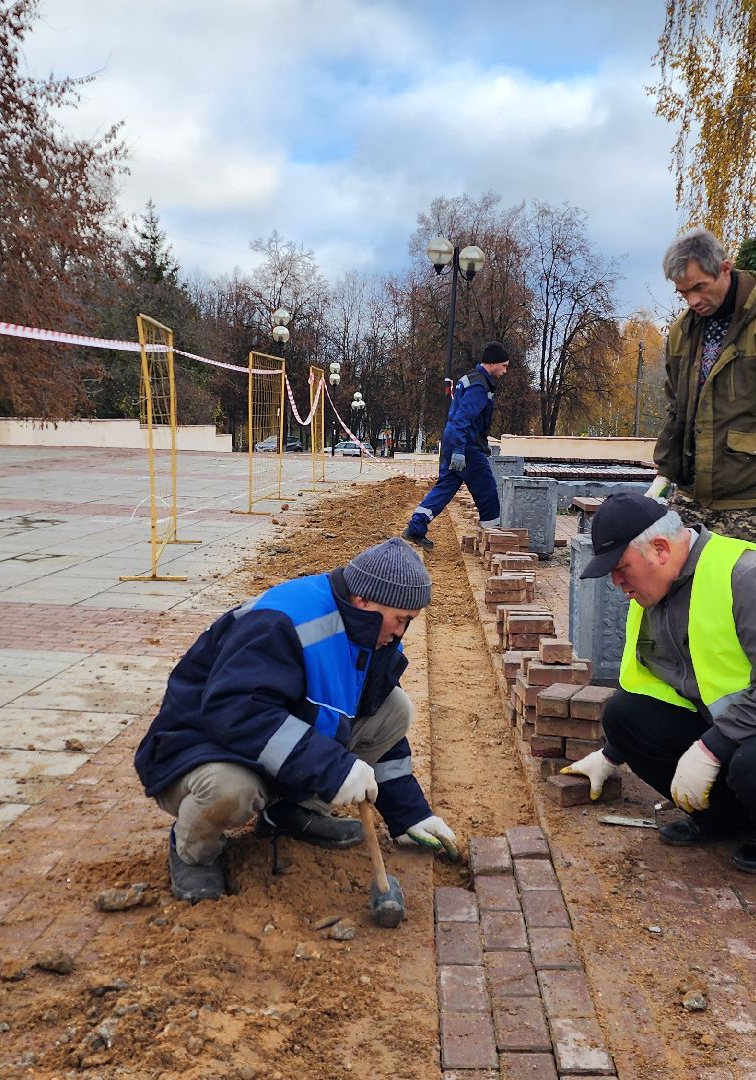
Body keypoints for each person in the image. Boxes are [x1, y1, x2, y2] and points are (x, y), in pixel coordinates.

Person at [561, 491, 756, 872]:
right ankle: (725, 818)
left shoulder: (751, 578)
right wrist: (612, 754)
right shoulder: (652, 597)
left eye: (621, 567)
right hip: (752, 727)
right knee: (624, 714)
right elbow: (656, 689)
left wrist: (711, 749)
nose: (616, 581)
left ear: (660, 548)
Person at [135, 538, 463, 901]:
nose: (402, 632)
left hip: (261, 746)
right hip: (198, 749)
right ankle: (193, 853)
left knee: (394, 709)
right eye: (400, 619)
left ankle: (290, 812)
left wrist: (409, 815)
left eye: (409, 622)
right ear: (364, 601)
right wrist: (332, 767)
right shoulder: (284, 621)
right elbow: (236, 710)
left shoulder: (373, 636)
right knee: (232, 791)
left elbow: (376, 725)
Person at [644, 227, 756, 546]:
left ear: (725, 268)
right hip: (691, 498)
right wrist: (665, 472)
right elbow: (677, 411)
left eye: (699, 287)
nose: (693, 300)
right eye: (684, 293)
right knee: (680, 592)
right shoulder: (683, 332)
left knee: (741, 593)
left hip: (749, 503)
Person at [403, 341, 512, 550]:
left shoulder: (470, 378)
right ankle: (494, 540)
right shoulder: (480, 385)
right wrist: (461, 451)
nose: (505, 371)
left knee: (445, 487)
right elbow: (463, 418)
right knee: (487, 490)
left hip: (453, 440)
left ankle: (416, 527)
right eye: (504, 366)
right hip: (467, 444)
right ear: (492, 363)